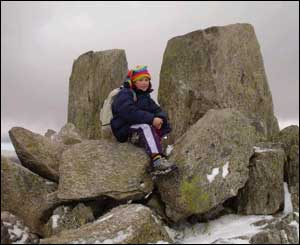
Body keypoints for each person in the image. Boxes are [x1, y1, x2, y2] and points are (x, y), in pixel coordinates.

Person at [111, 65, 176, 175]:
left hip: (135, 127)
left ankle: (161, 150)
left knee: (161, 126)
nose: (144, 82)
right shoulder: (126, 93)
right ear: (133, 82)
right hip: (124, 128)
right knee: (145, 127)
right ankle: (157, 161)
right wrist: (151, 119)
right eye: (140, 80)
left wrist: (160, 118)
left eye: (146, 80)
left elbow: (158, 110)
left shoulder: (146, 97)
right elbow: (129, 112)